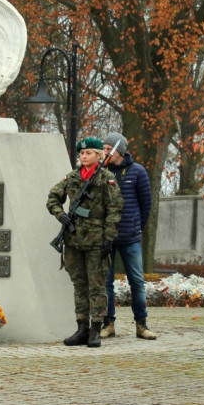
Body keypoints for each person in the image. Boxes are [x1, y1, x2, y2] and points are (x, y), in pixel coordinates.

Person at [47, 137, 123, 348]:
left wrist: (108, 238)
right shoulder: (72, 178)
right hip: (74, 240)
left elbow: (114, 209)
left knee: (97, 286)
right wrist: (60, 214)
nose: (83, 156)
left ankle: (96, 329)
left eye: (88, 153)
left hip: (96, 240)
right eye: (81, 153)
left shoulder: (106, 179)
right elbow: (52, 197)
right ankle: (81, 328)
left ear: (99, 155)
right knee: (79, 285)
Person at [100, 131, 155, 340]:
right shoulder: (102, 172)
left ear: (118, 150)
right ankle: (109, 324)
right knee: (106, 283)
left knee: (137, 282)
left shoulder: (138, 172)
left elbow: (146, 204)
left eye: (107, 149)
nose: (104, 153)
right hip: (107, 238)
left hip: (130, 239)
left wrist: (135, 227)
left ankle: (141, 325)